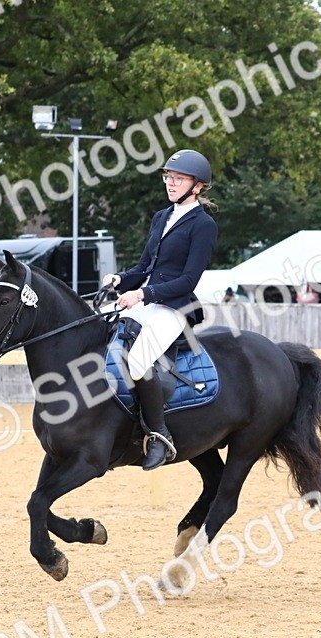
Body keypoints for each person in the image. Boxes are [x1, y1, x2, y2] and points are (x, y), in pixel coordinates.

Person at [100, 149, 218, 470]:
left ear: (197, 186)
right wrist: (120, 279)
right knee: (100, 330)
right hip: (146, 301)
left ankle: (158, 435)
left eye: (179, 178)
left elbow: (188, 280)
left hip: (173, 308)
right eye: (169, 177)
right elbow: (144, 267)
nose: (171, 183)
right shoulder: (161, 217)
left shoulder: (203, 225)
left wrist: (142, 293)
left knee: (138, 361)